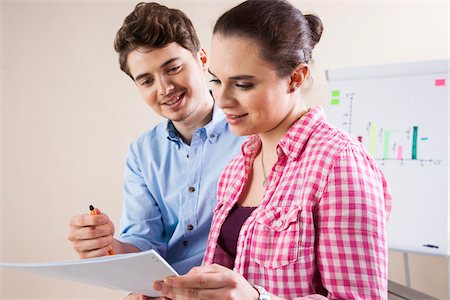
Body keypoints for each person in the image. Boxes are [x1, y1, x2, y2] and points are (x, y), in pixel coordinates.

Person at [154, 0, 393, 299]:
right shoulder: (235, 170)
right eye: (216, 80)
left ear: (296, 78)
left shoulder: (338, 164)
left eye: (242, 84)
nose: (223, 99)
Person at [67, 0, 244, 281]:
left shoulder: (250, 133)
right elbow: (143, 244)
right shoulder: (143, 153)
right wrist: (106, 245)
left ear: (202, 59)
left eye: (173, 68)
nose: (164, 88)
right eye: (146, 81)